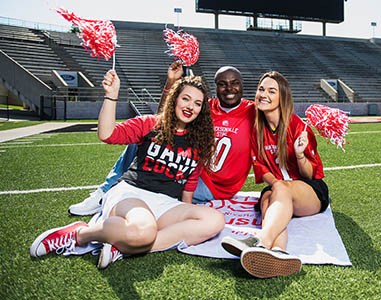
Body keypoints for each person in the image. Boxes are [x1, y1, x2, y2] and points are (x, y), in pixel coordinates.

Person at [30, 70, 225, 269]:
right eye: (186, 99)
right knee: (143, 231)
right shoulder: (151, 124)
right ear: (174, 99)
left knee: (214, 220)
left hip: (166, 204)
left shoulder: (199, 141)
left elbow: (188, 188)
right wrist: (111, 95)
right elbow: (107, 134)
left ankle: (123, 246)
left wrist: (188, 213)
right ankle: (79, 234)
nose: (190, 107)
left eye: (197, 104)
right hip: (132, 194)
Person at [68, 62, 255, 215]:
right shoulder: (203, 107)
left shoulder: (254, 112)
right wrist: (171, 82)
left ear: (242, 84)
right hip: (188, 169)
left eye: (235, 82)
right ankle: (106, 190)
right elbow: (163, 122)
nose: (229, 88)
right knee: (146, 136)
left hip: (212, 185)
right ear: (216, 87)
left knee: (160, 191)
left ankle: (130, 210)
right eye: (222, 83)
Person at [221, 71, 330, 278]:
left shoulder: (297, 125)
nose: (264, 94)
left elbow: (310, 175)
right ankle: (279, 252)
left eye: (272, 91)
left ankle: (259, 240)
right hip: (279, 190)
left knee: (279, 188)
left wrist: (299, 155)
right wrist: (278, 186)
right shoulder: (256, 129)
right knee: (267, 201)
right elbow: (262, 169)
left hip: (310, 193)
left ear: (282, 98)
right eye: (261, 89)